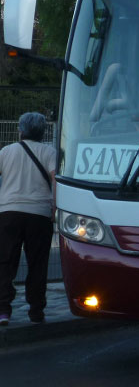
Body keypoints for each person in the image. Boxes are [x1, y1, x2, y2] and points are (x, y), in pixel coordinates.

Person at [0, 112, 56, 325]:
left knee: (5, 262)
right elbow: (55, 179)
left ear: (20, 130)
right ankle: (36, 311)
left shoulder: (6, 151)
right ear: (42, 131)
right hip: (39, 214)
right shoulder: (49, 152)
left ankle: (3, 310)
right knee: (38, 264)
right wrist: (54, 207)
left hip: (8, 212)